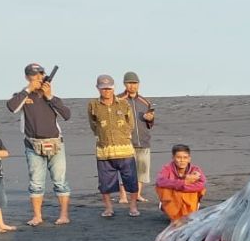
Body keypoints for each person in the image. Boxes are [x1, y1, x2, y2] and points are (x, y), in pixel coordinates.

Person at [5, 62, 71, 227]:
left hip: (56, 144)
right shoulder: (22, 96)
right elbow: (11, 107)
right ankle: (37, 216)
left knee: (60, 181)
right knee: (36, 183)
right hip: (32, 145)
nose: (38, 77)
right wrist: (28, 89)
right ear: (27, 77)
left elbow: (67, 115)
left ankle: (64, 215)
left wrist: (49, 96)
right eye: (34, 75)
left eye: (41, 74)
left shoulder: (52, 98)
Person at [87, 75, 140, 218]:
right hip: (104, 151)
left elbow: (131, 124)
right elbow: (93, 124)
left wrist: (123, 134)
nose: (107, 91)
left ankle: (133, 206)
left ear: (113, 88)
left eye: (109, 88)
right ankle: (108, 208)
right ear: (98, 88)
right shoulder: (93, 105)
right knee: (105, 182)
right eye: (103, 88)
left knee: (131, 180)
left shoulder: (123, 104)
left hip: (125, 150)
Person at [118, 71, 155, 204]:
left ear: (138, 84)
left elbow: (151, 123)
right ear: (124, 84)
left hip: (143, 141)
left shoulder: (145, 102)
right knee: (125, 170)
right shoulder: (118, 100)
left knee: (142, 170)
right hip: (125, 142)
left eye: (135, 83)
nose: (132, 86)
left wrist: (150, 119)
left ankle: (137, 194)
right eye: (129, 83)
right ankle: (123, 196)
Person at [155, 144, 207, 221]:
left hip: (189, 199)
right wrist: (183, 183)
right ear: (173, 158)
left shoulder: (195, 170)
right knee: (161, 187)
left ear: (189, 159)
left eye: (185, 158)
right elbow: (159, 181)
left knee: (200, 189)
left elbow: (202, 184)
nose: (182, 160)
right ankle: (169, 210)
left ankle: (192, 208)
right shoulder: (167, 168)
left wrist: (183, 187)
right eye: (178, 157)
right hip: (173, 200)